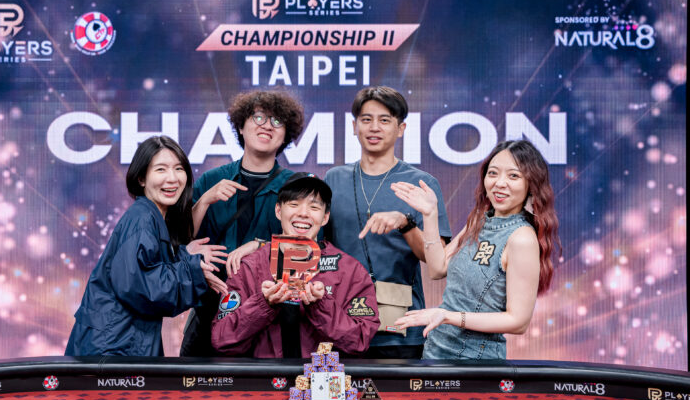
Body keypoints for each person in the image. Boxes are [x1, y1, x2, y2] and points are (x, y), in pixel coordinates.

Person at [391, 139, 560, 360]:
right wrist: (430, 214)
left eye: (513, 176)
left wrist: (449, 317)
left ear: (531, 185)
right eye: (493, 173)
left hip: (476, 363)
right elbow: (437, 268)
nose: (500, 183)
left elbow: (518, 321)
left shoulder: (521, 238)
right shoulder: (479, 220)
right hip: (435, 352)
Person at [65, 136, 226, 356]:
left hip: (121, 341)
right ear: (141, 178)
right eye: (161, 170)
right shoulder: (142, 220)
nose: (172, 178)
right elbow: (143, 287)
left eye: (179, 169)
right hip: (114, 348)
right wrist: (193, 270)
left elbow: (148, 266)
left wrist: (184, 255)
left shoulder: (151, 217)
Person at [324, 86, 451, 359]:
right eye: (366, 119)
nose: (374, 127)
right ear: (354, 126)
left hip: (400, 327)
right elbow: (319, 248)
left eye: (384, 120)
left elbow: (436, 260)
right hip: (339, 323)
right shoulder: (333, 179)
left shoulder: (422, 183)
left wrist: (405, 224)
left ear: (401, 128)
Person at [181, 90, 305, 356]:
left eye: (277, 121)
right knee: (196, 381)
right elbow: (183, 241)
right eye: (258, 117)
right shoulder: (211, 179)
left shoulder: (297, 185)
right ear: (240, 126)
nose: (267, 126)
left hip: (271, 313)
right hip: (212, 306)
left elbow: (311, 249)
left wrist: (260, 245)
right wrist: (204, 201)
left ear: (286, 135)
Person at [211, 173, 380, 358]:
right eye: (294, 204)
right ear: (278, 211)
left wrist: (321, 305)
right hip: (265, 375)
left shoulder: (350, 270)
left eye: (314, 207)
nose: (303, 213)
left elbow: (359, 341)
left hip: (322, 375)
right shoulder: (250, 267)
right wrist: (263, 304)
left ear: (325, 218)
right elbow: (222, 341)